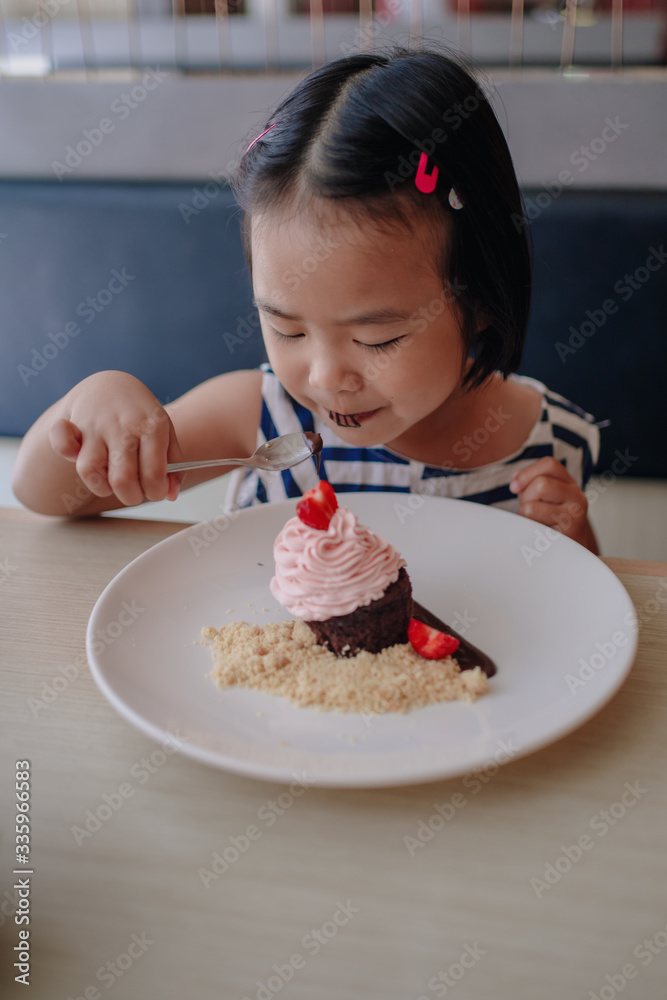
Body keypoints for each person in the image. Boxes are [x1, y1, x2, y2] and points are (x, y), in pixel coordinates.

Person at [12, 44, 600, 553]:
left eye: (377, 338)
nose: (324, 377)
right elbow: (42, 496)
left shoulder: (549, 442)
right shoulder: (261, 421)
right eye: (288, 330)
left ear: (483, 299)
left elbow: (584, 604)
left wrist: (573, 541)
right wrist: (92, 404)